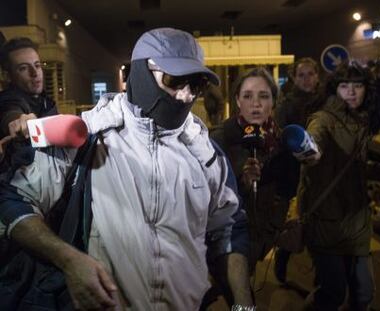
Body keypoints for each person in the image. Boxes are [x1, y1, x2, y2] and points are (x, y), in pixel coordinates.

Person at [0, 28, 252, 310]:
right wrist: (68, 260)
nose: (185, 95)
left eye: (197, 84)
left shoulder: (207, 154)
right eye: (175, 79)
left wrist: (243, 304)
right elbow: (14, 202)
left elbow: (229, 229)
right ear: (142, 73)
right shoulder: (88, 136)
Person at [209, 67, 295, 305]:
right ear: (237, 100)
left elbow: (287, 189)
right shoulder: (219, 139)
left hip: (262, 238)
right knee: (242, 301)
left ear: (274, 101)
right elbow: (205, 197)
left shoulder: (282, 140)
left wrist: (278, 226)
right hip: (227, 240)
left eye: (263, 96)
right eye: (247, 96)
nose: (255, 104)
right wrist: (243, 183)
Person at [296, 62, 378, 310]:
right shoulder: (323, 119)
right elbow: (314, 141)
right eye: (344, 86)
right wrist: (311, 152)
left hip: (357, 220)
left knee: (364, 293)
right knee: (332, 293)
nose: (351, 92)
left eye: (357, 86)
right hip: (326, 220)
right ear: (334, 89)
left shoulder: (364, 120)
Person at [274, 57, 325, 283]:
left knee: (319, 225)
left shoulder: (326, 101)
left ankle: (322, 280)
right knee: (294, 225)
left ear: (317, 76)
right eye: (301, 75)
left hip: (321, 173)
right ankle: (281, 264)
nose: (306, 79)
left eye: (310, 74)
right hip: (294, 174)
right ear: (294, 78)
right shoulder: (287, 104)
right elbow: (280, 138)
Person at [0, 37, 57, 163]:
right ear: (8, 76)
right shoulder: (9, 99)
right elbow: (10, 111)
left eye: (37, 65)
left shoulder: (45, 101)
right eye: (23, 68)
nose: (35, 73)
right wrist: (20, 121)